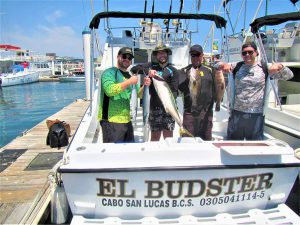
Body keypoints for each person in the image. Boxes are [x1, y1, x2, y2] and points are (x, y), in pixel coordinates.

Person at [216, 42, 294, 140]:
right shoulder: (236, 67)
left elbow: (289, 76)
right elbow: (216, 66)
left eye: (250, 52)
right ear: (241, 55)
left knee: (255, 146)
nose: (247, 55)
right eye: (244, 53)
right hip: (236, 113)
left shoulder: (265, 68)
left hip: (256, 115)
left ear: (256, 53)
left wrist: (280, 67)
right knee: (233, 144)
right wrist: (221, 64)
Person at [98, 47, 150, 143]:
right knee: (113, 154)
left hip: (127, 121)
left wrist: (145, 85)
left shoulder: (129, 76)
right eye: (124, 56)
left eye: (129, 58)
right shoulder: (109, 72)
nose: (127, 59)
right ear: (118, 57)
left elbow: (139, 95)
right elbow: (110, 90)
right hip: (111, 121)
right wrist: (129, 82)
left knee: (128, 153)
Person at [132, 45, 180, 141]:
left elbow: (175, 91)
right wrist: (148, 71)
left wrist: (167, 101)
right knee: (155, 137)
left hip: (169, 108)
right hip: (154, 108)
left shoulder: (173, 70)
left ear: (167, 54)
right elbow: (134, 69)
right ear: (156, 55)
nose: (161, 55)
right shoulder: (151, 66)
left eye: (163, 52)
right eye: (159, 53)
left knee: (168, 137)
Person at [178, 44, 223, 140]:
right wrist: (187, 78)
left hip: (206, 112)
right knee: (187, 141)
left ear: (202, 55)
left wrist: (218, 100)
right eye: (192, 55)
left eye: (197, 54)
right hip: (189, 113)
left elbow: (218, 87)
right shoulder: (184, 70)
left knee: (206, 141)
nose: (195, 57)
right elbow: (179, 87)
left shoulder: (210, 70)